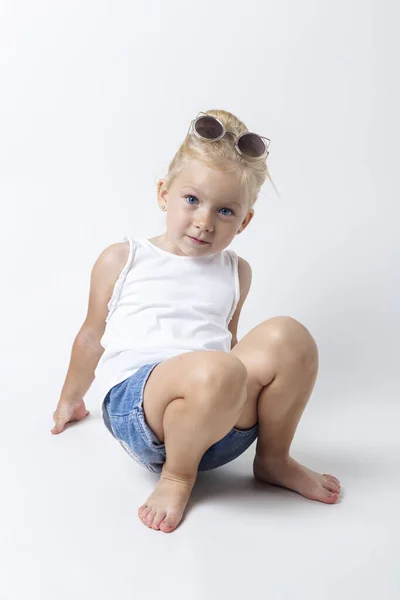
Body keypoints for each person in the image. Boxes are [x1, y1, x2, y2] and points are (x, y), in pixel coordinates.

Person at [51, 109, 341, 534]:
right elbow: (92, 336)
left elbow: (232, 345)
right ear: (163, 193)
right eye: (192, 200)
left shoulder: (237, 271)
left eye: (225, 211)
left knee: (288, 336)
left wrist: (233, 387)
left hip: (219, 425)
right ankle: (176, 476)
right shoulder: (125, 257)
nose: (205, 221)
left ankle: (273, 459)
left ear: (245, 222)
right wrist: (69, 400)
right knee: (217, 368)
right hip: (143, 412)